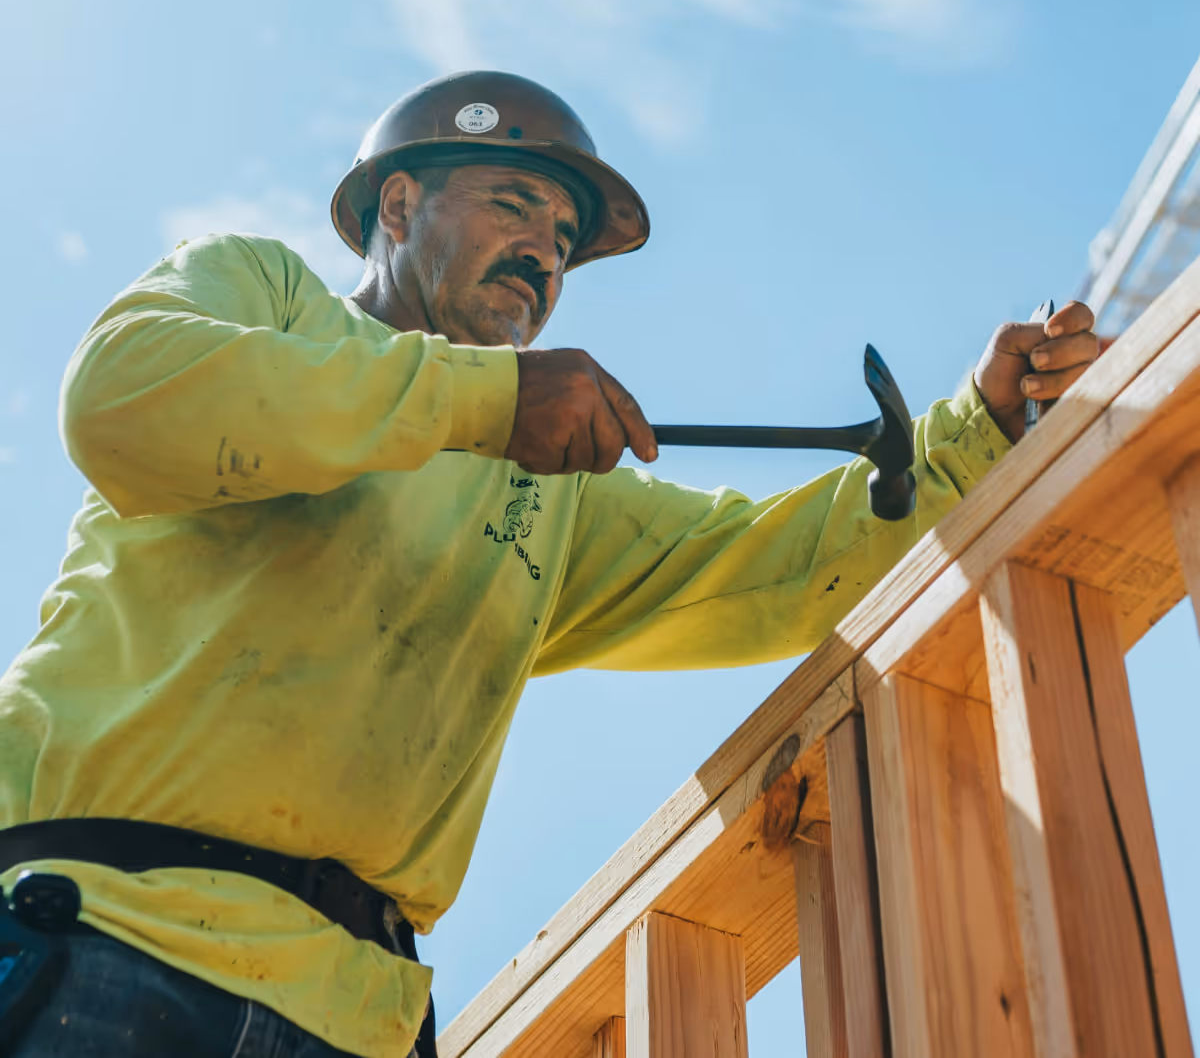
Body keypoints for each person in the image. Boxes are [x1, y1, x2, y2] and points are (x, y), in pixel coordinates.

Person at [0, 71, 1099, 1057]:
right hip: (99, 935)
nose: (543, 251)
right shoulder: (265, 297)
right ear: (397, 207)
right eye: (513, 205)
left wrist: (973, 437)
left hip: (353, 1022)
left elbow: (768, 568)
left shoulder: (545, 493)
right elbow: (123, 397)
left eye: (565, 240)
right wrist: (485, 399)